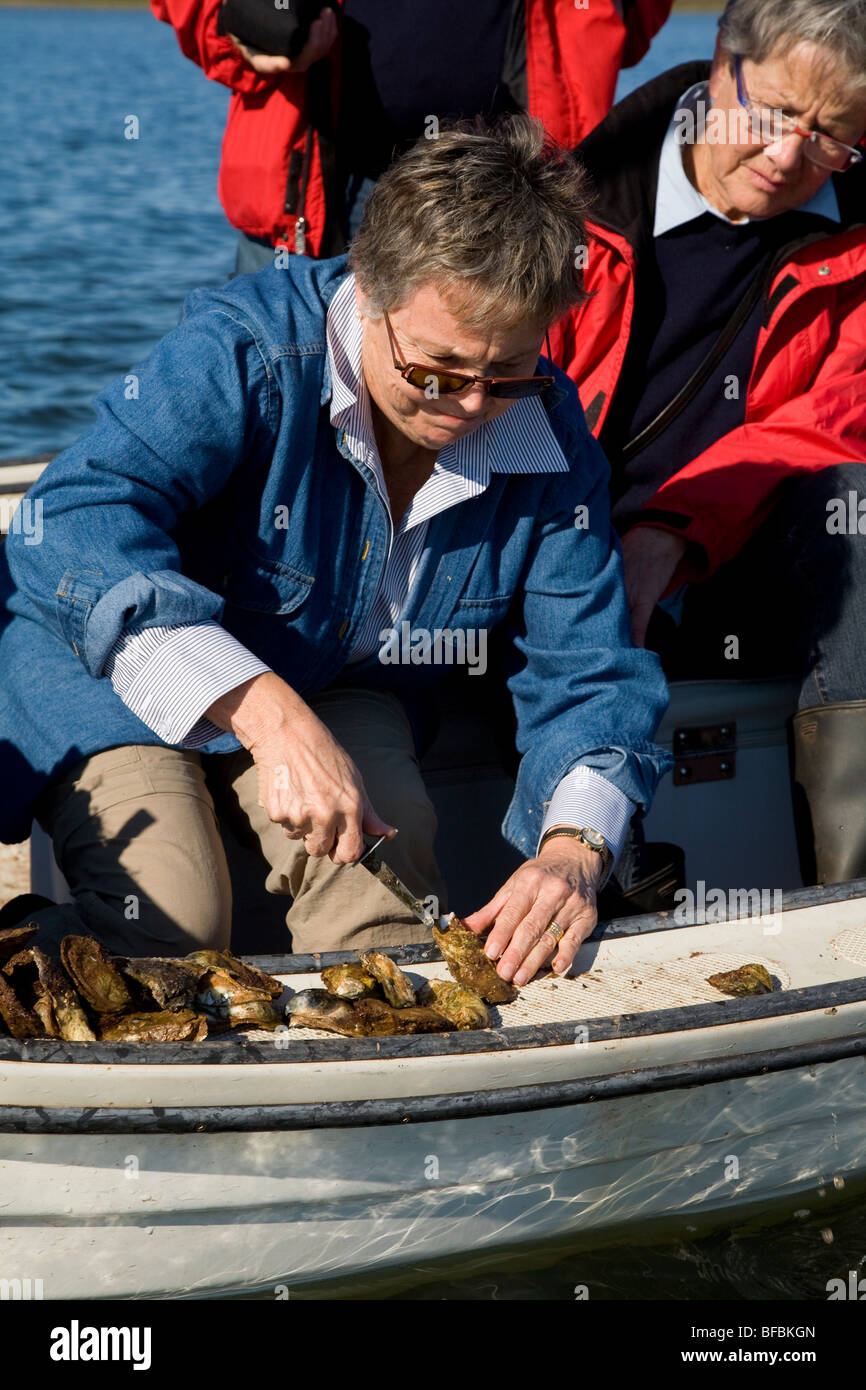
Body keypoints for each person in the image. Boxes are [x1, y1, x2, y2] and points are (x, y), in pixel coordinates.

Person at [0, 117, 671, 984]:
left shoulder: (548, 431)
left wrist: (576, 852)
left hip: (343, 684)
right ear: (371, 288)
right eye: (435, 371)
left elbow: (593, 667)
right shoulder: (244, 350)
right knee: (171, 921)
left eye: (507, 375)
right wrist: (265, 713)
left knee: (384, 929)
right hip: (110, 667)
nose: (470, 407)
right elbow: (69, 520)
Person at [551, 0, 866, 885]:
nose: (786, 157)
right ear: (720, 62)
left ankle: (849, 896)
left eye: (832, 136)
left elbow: (834, 420)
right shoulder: (567, 194)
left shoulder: (859, 236)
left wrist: (670, 529)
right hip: (557, 536)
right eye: (772, 114)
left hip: (750, 556)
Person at [151, 0, 673, 270]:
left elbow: (625, 20)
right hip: (312, 201)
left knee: (487, 432)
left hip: (515, 191)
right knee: (273, 422)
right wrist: (241, 17)